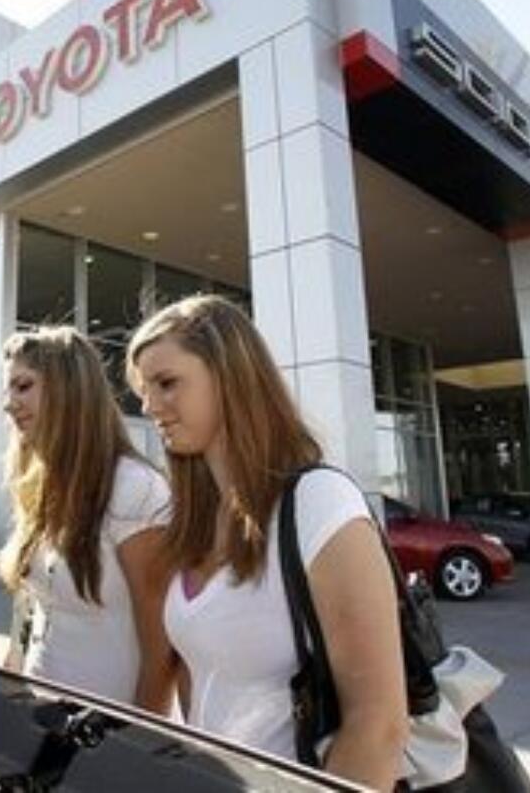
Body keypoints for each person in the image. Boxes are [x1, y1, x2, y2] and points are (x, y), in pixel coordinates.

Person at [126, 295, 407, 790]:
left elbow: (378, 724)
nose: (149, 406)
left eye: (166, 383)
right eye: (144, 389)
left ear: (230, 376)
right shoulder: (192, 520)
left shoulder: (319, 502)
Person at [0, 326, 175, 713]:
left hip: (106, 740)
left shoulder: (135, 488)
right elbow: (34, 615)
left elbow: (162, 646)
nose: (9, 404)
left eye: (23, 386)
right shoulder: (41, 485)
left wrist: (140, 743)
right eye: (8, 389)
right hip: (37, 719)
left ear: (68, 390)